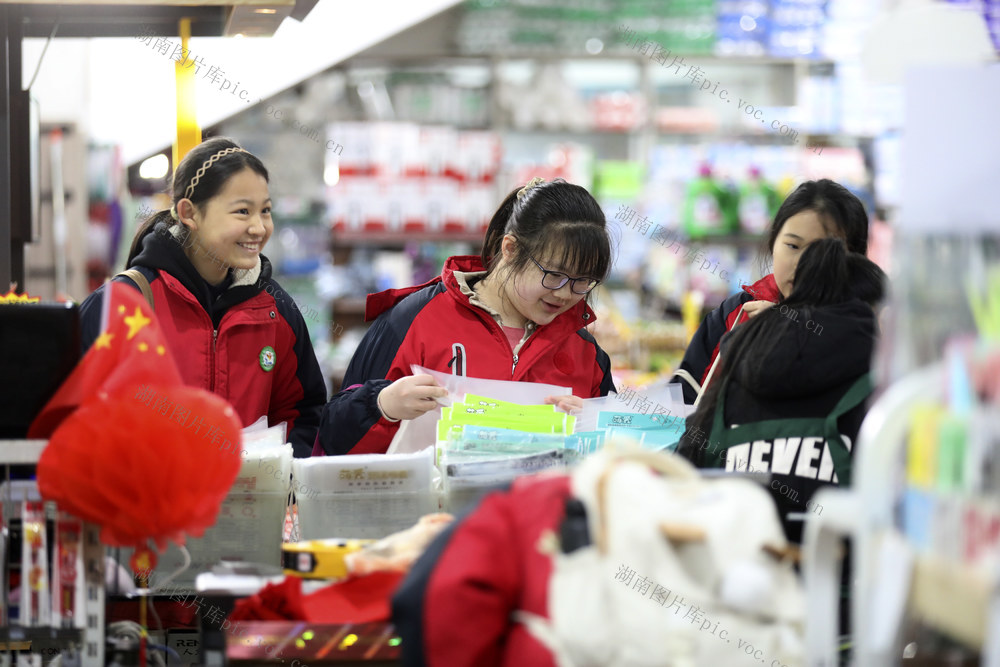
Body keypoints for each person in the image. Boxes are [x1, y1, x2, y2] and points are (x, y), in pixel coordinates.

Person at [317, 177, 615, 456]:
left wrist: (590, 429)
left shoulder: (586, 353)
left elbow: (616, 464)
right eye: (554, 275)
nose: (565, 294)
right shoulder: (414, 319)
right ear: (510, 249)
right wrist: (383, 406)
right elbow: (332, 437)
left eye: (583, 281)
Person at [79, 137, 326, 457]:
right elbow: (78, 421)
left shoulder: (276, 311)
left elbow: (304, 415)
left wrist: (282, 477)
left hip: (251, 504)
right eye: (242, 211)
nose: (259, 227)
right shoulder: (121, 307)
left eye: (265, 210)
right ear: (189, 213)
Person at [675, 237, 887, 543]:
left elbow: (682, 482)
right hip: (833, 586)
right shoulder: (875, 402)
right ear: (865, 315)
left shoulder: (733, 373)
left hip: (727, 580)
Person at [675, 179, 870, 404]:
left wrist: (789, 329)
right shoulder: (736, 314)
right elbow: (683, 405)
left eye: (822, 251)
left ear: (855, 259)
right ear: (773, 244)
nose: (802, 264)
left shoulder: (867, 328)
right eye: (793, 246)